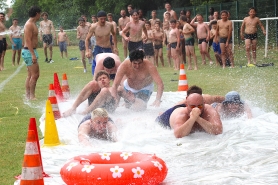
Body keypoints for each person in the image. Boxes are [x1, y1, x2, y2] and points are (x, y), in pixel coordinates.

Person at [155, 85, 224, 129]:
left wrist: (228, 100)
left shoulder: (206, 99)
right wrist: (163, 113)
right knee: (160, 120)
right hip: (170, 116)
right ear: (187, 99)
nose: (195, 101)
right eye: (192, 103)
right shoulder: (182, 105)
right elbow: (172, 109)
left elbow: (217, 98)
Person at [85, 11, 117, 75]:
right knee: (97, 65)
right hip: (98, 48)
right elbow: (87, 39)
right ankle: (95, 79)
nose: (103, 20)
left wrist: (115, 47)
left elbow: (114, 35)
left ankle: (112, 80)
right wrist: (87, 50)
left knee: (110, 65)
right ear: (97, 18)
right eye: (101, 19)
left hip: (108, 48)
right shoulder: (94, 27)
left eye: (104, 19)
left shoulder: (110, 25)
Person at [22, 6, 41, 100]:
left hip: (30, 51)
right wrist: (32, 54)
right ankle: (31, 96)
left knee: (30, 75)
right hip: (29, 51)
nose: (40, 15)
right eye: (40, 14)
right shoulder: (29, 24)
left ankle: (28, 95)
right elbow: (28, 40)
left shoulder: (32, 23)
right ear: (37, 13)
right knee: (35, 75)